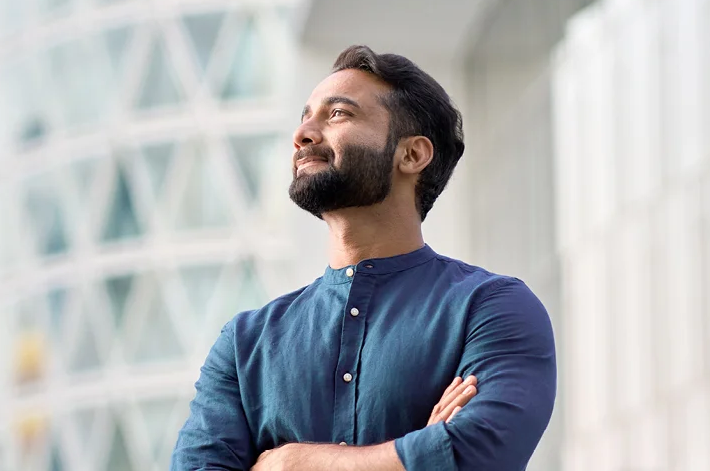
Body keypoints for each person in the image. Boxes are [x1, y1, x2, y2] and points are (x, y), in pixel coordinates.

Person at [170, 45, 556, 471]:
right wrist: (419, 451)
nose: (303, 134)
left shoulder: (492, 308)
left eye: (337, 114)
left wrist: (290, 463)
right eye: (305, 116)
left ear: (412, 155)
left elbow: (479, 452)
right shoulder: (246, 344)